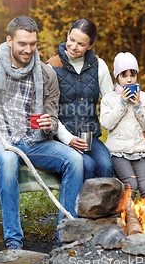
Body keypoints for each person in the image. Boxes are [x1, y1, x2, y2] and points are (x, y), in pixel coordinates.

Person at [0, 16, 83, 250]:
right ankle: (14, 241)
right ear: (9, 41)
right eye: (22, 44)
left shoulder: (47, 75)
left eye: (33, 44)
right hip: (1, 138)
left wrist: (50, 124)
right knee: (8, 161)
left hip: (33, 140)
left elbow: (52, 116)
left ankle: (65, 236)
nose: (28, 49)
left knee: (75, 160)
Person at [47, 19, 114, 180]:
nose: (73, 47)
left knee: (106, 165)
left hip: (90, 136)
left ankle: (104, 205)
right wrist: (68, 139)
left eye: (81, 44)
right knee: (87, 166)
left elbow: (112, 103)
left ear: (90, 45)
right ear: (67, 35)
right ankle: (83, 205)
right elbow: (48, 112)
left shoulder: (99, 65)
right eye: (71, 40)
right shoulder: (52, 67)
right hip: (62, 138)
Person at [100, 52, 145, 201]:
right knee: (130, 185)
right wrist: (122, 104)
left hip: (140, 151)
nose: (129, 79)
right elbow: (106, 123)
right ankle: (125, 220)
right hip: (118, 152)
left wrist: (139, 107)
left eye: (133, 75)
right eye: (124, 75)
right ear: (117, 77)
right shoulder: (109, 99)